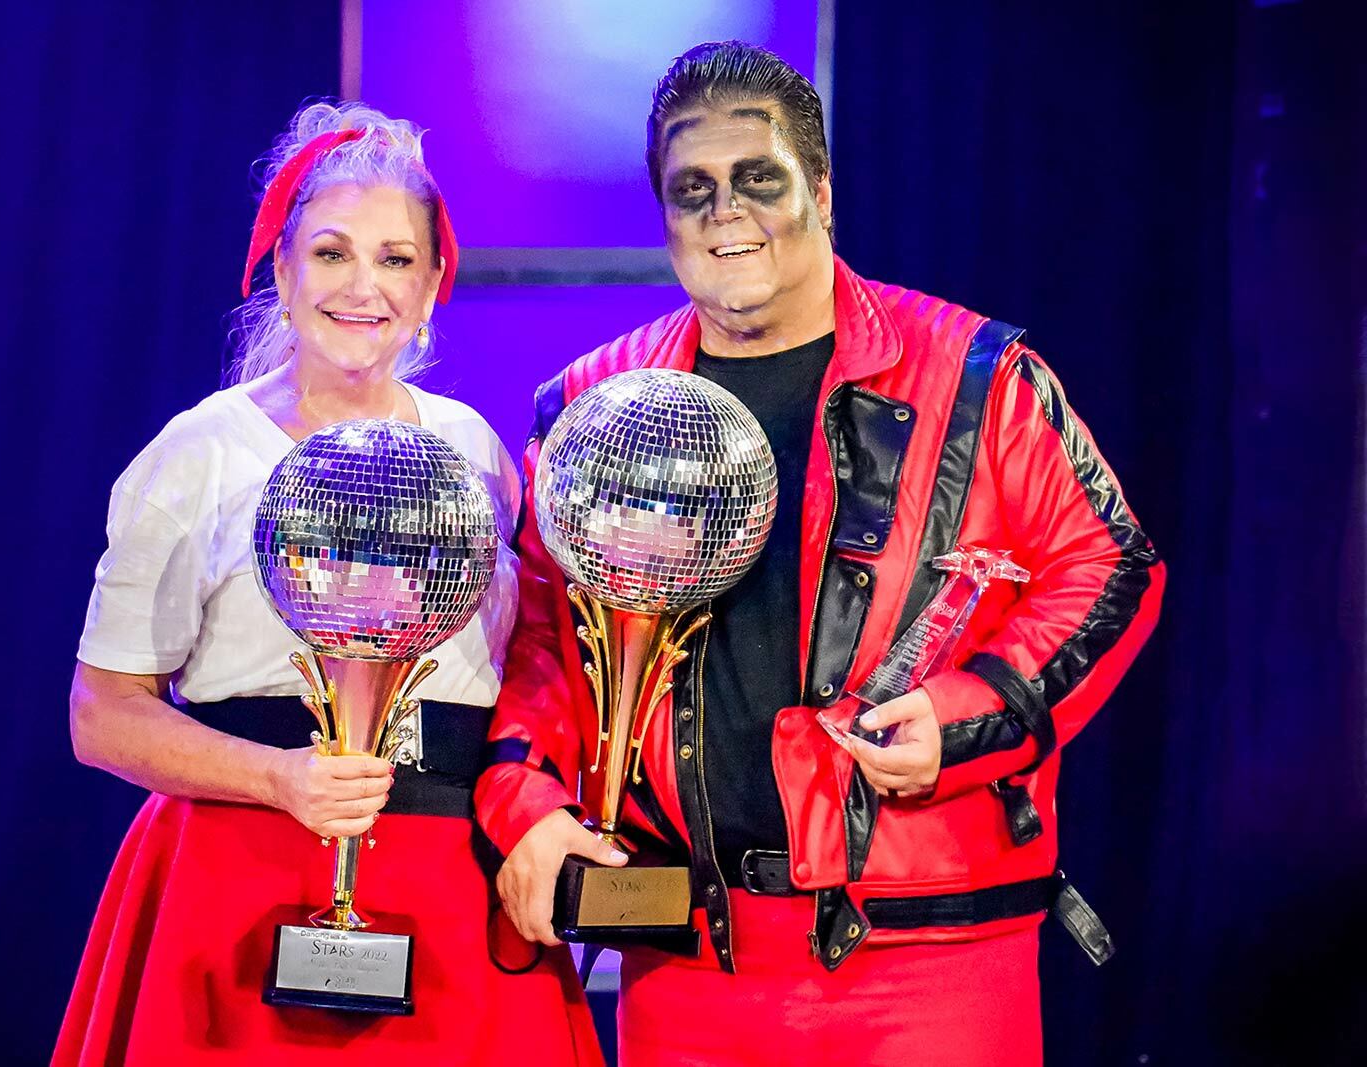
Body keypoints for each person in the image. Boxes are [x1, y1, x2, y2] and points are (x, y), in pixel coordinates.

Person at [477, 42, 1166, 1066]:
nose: (725, 214)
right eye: (691, 190)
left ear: (823, 193)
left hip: (928, 962)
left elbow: (1110, 567)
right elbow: (541, 635)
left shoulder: (977, 375)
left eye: (759, 179)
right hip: (686, 956)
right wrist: (524, 804)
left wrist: (966, 715)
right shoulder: (589, 407)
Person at [54, 101, 603, 1066]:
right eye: (332, 253)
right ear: (282, 272)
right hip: (245, 884)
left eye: (396, 259)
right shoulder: (201, 455)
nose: (364, 286)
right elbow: (101, 715)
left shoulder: (476, 452)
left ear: (435, 282)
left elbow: (530, 668)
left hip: (453, 903)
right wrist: (283, 778)